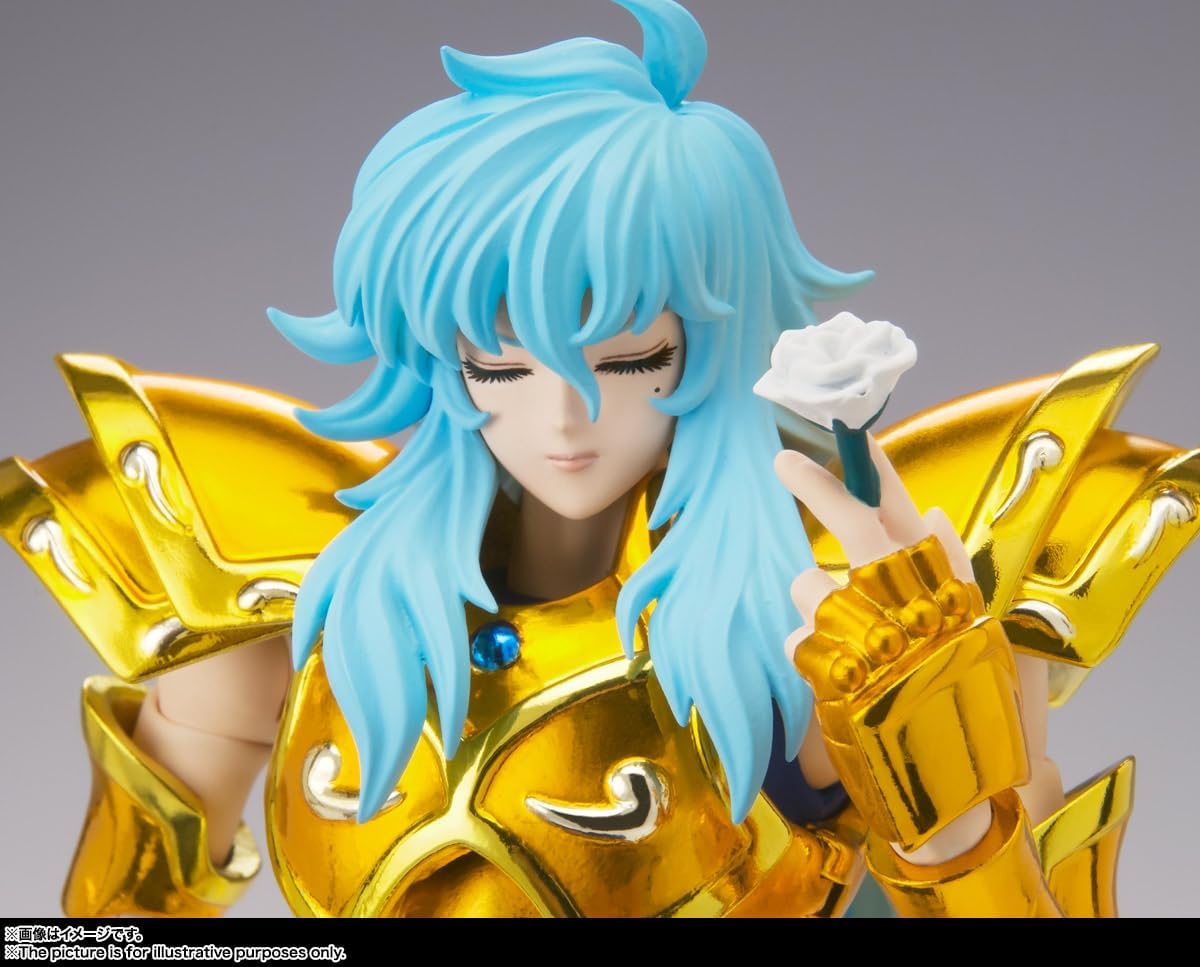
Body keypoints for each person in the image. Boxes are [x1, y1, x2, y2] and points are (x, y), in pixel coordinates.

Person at [3, 0, 1195, 917]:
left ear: (719, 340)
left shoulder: (830, 612)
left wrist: (937, 752)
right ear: (438, 355)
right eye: (501, 363)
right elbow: (113, 929)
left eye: (630, 358)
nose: (564, 418)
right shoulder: (302, 603)